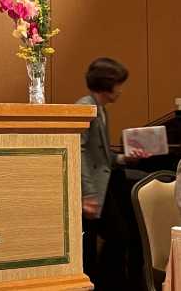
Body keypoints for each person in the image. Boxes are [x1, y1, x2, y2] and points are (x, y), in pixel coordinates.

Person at [78, 57, 147, 290]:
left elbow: (102, 156)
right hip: (93, 189)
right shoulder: (85, 107)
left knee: (115, 237)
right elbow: (79, 153)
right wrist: (87, 194)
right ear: (107, 84)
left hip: (102, 185)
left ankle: (103, 281)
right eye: (119, 84)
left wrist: (125, 158)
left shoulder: (101, 109)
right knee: (113, 237)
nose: (121, 90)